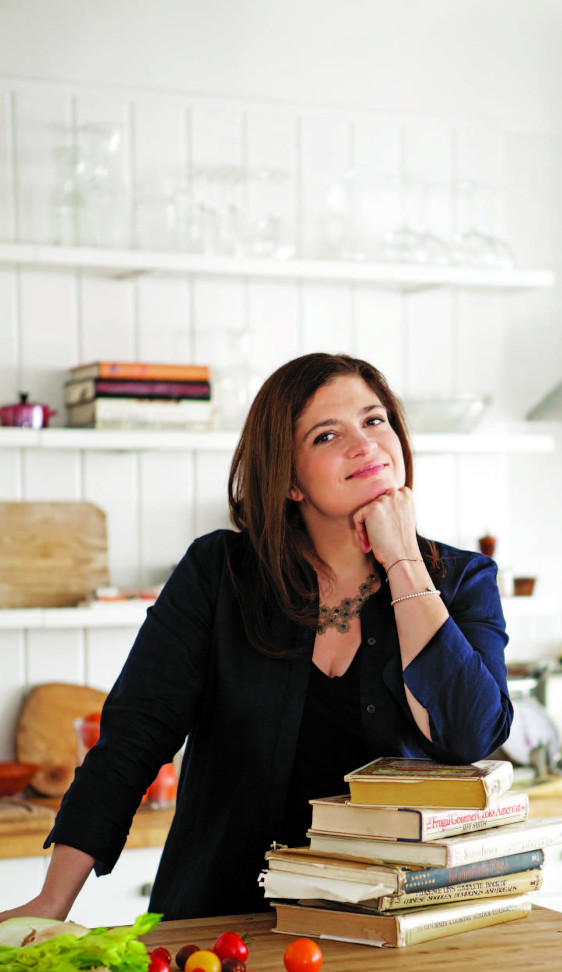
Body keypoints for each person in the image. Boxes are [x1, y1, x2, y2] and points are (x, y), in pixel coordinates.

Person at [1, 352, 512, 922]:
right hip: (221, 923)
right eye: (326, 435)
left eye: (374, 421)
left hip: (391, 929)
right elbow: (134, 737)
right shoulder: (219, 574)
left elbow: (470, 733)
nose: (364, 444)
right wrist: (52, 901)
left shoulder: (461, 581)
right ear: (290, 479)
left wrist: (402, 560)